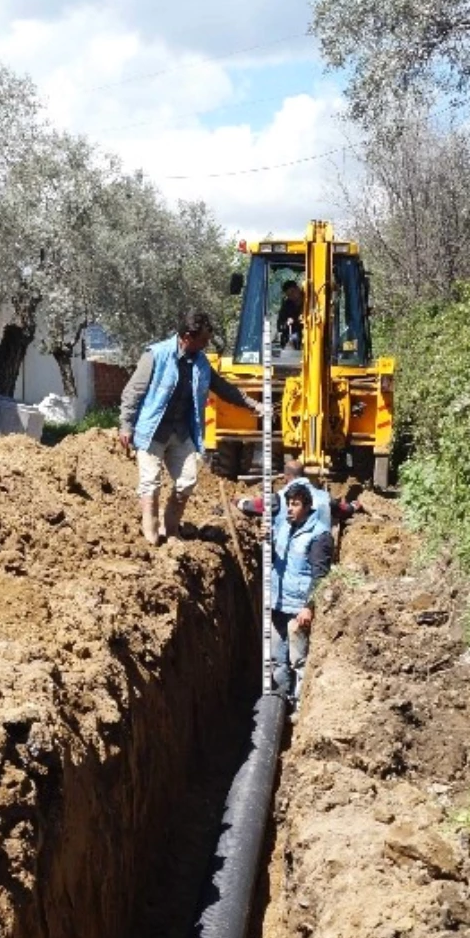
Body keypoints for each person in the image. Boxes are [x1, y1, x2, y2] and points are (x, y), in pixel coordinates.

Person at [119, 308, 264, 545]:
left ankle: (171, 529)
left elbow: (223, 388)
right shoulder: (156, 355)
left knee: (187, 481)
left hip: (181, 432)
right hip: (152, 431)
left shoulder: (201, 363)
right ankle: (151, 536)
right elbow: (133, 392)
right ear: (187, 336)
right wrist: (126, 425)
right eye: (203, 340)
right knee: (151, 482)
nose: (206, 344)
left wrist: (252, 404)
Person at [269, 482, 333, 706]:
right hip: (278, 604)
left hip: (298, 609)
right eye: (288, 504)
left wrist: (309, 605)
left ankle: (299, 707)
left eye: (295, 504)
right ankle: (280, 702)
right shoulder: (286, 527)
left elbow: (320, 575)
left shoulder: (319, 536)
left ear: (307, 506)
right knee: (277, 659)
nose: (289, 509)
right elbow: (276, 559)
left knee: (298, 661)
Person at [277, 280, 303, 348]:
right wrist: (286, 323)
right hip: (294, 338)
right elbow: (280, 326)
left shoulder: (310, 299)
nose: (292, 296)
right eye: (289, 295)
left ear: (298, 288)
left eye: (293, 292)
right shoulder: (286, 306)